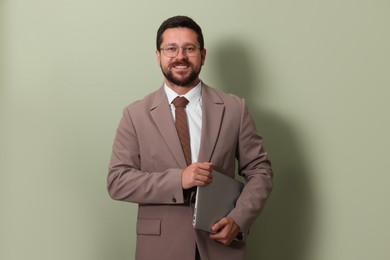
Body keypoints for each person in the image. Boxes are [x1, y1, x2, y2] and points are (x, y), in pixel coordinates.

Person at [107, 15, 273, 260]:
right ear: (158, 56)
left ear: (202, 55)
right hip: (160, 249)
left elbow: (261, 171)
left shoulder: (234, 108)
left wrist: (239, 220)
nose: (180, 56)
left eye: (189, 49)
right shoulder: (135, 115)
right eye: (171, 49)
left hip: (220, 245)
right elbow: (118, 181)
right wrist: (179, 180)